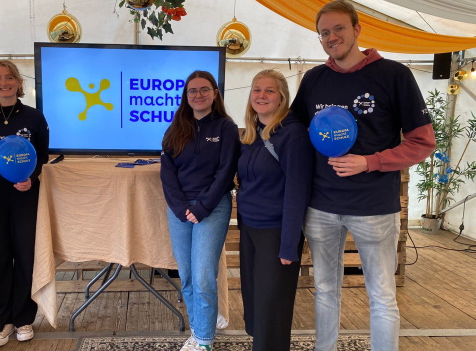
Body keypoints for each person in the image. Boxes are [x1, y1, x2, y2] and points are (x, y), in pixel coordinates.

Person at [290, 1, 436, 350]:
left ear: (357, 29)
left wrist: (370, 162)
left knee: (382, 295)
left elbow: (422, 142)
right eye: (324, 32)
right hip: (321, 206)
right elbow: (293, 128)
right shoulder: (314, 80)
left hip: (375, 209)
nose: (331, 37)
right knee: (325, 289)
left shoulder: (393, 75)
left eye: (338, 28)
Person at [160, 70, 240, 351]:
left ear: (215, 93)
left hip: (213, 208)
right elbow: (167, 173)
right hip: (180, 211)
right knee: (189, 276)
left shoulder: (225, 128)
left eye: (204, 90)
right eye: (192, 91)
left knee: (205, 275)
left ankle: (204, 341)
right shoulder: (175, 128)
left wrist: (202, 206)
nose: (198, 95)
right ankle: (198, 331)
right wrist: (182, 208)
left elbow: (226, 171)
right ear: (186, 96)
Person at [237, 69, 314, 350]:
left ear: (282, 97)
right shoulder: (251, 134)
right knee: (257, 302)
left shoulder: (292, 135)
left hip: (276, 232)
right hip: (250, 228)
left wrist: (288, 245)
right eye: (257, 89)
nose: (261, 95)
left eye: (269, 90)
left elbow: (297, 191)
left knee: (272, 307)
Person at [0, 60, 49, 346]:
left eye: (9, 77)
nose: (4, 82)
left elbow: (42, 155)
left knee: (24, 258)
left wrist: (30, 177)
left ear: (19, 83)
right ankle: (0, 322)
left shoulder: (34, 117)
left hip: (25, 197)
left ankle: (23, 319)